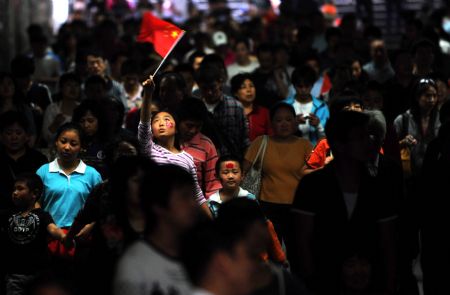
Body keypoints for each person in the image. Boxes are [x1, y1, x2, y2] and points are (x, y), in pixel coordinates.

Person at [290, 111, 397, 295]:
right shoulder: (312, 186)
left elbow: (389, 242)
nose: (368, 142)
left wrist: (389, 283)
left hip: (371, 281)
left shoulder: (378, 186)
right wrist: (310, 280)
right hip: (325, 281)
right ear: (339, 145)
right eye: (360, 137)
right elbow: (301, 241)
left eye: (368, 136)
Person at [66, 156, 155, 295]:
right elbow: (82, 217)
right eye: (137, 181)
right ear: (123, 183)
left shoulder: (161, 217)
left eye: (148, 181)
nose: (144, 187)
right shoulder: (107, 211)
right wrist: (68, 238)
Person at [113, 164, 201, 295]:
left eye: (193, 196)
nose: (193, 204)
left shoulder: (201, 255)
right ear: (158, 205)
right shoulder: (135, 264)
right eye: (184, 196)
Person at [138, 76, 210, 216]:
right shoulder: (149, 149)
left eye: (166, 119)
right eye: (156, 121)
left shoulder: (187, 159)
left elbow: (198, 195)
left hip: (179, 213)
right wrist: (148, 94)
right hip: (154, 211)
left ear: (176, 129)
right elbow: (144, 124)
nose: (161, 123)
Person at [244, 102, 313, 244]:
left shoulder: (305, 145)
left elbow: (314, 176)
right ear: (272, 123)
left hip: (297, 206)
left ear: (295, 122)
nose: (284, 124)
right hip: (267, 206)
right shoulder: (261, 142)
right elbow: (243, 171)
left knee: (297, 250)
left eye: (288, 120)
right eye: (279, 120)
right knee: (270, 251)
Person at [0, 173, 66, 295]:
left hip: (38, 273)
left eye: (20, 189)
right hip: (15, 274)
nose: (15, 192)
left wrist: (63, 237)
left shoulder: (42, 215)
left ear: (34, 194)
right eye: (14, 189)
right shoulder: (8, 215)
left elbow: (53, 229)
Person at [36, 123, 102, 230]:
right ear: (56, 142)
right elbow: (35, 203)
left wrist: (89, 227)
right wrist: (49, 227)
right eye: (63, 141)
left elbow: (101, 207)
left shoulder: (92, 175)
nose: (67, 147)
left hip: (81, 236)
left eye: (73, 143)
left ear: (81, 147)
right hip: (49, 235)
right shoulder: (43, 171)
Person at [196, 65, 250, 157]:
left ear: (220, 83)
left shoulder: (235, 106)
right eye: (205, 89)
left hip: (232, 160)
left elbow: (244, 140)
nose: (209, 92)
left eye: (213, 87)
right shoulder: (196, 108)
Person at [0, 111, 47, 210]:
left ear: (27, 136)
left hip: (31, 214)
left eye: (18, 133)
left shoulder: (39, 159)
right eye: (9, 133)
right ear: (1, 136)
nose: (14, 137)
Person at [177, 97, 222, 198]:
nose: (193, 131)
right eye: (189, 126)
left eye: (198, 126)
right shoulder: (165, 140)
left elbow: (213, 185)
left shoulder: (207, 145)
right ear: (178, 121)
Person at [284, 66, 329, 145]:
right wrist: (293, 124)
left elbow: (328, 137)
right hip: (290, 152)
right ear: (294, 86)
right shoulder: (284, 107)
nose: (303, 90)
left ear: (312, 85)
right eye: (300, 86)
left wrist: (318, 125)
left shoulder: (322, 107)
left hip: (314, 153)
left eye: (307, 86)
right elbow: (277, 133)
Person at [41, 73, 81, 146]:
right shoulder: (52, 109)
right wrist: (56, 123)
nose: (73, 88)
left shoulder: (82, 108)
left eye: (76, 85)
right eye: (69, 85)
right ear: (61, 88)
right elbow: (46, 137)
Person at [231, 73, 272, 141]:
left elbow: (272, 137)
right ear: (235, 93)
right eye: (243, 87)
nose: (249, 90)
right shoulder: (231, 114)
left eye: (251, 86)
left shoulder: (264, 112)